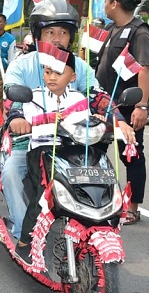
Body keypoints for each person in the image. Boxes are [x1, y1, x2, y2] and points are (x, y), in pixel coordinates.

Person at [3, 0, 119, 242]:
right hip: (31, 141)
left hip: (73, 143)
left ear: (71, 37)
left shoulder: (80, 67)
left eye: (63, 32)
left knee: (101, 170)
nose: (57, 38)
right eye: (50, 32)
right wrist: (16, 117)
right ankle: (22, 233)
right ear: (38, 35)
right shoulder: (22, 65)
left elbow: (97, 96)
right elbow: (12, 97)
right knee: (13, 171)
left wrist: (116, 118)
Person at [11, 55, 135, 265]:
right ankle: (24, 243)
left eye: (58, 73)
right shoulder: (31, 97)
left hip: (77, 152)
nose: (51, 77)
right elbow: (14, 112)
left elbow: (100, 114)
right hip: (44, 152)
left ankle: (98, 227)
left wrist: (114, 122)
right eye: (47, 71)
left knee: (98, 183)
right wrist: (17, 120)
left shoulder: (82, 98)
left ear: (73, 76)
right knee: (43, 196)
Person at [95, 0, 149, 225]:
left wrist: (141, 106)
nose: (104, 5)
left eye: (106, 1)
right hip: (101, 104)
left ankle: (133, 207)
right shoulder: (110, 28)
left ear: (115, 3)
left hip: (126, 106)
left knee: (131, 156)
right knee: (92, 152)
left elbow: (145, 68)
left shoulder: (139, 31)